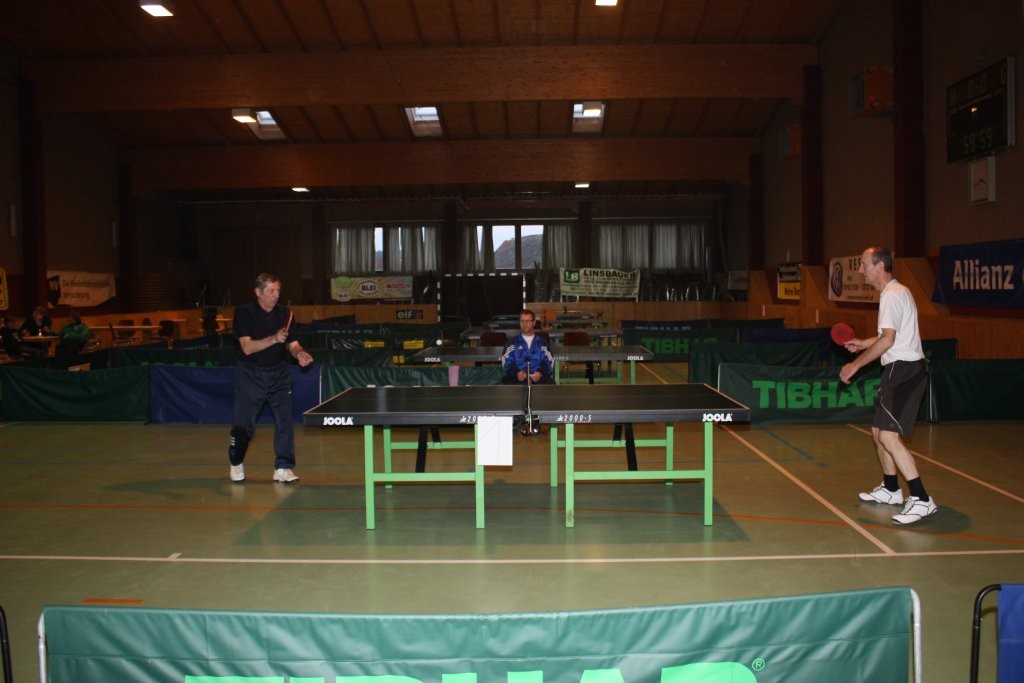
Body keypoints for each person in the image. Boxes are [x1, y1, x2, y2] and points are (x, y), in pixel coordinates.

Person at [839, 246, 936, 525]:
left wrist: (855, 365)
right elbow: (887, 335)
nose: (861, 270)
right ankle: (892, 489)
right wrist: (863, 343)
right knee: (877, 431)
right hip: (898, 369)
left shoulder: (892, 295)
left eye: (864, 264)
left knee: (889, 437)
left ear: (880, 265)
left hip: (903, 371)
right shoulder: (897, 292)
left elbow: (888, 340)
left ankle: (921, 499)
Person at [227, 273, 313, 484]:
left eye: (278, 291)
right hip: (250, 375)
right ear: (258, 292)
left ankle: (283, 467)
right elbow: (247, 347)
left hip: (279, 375)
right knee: (243, 427)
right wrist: (274, 339)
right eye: (271, 291)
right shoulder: (244, 312)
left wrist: (300, 354)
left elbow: (293, 344)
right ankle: (236, 460)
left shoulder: (286, 313)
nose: (276, 295)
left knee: (284, 422)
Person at [500, 309, 555, 435]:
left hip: (537, 377)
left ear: (534, 323)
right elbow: (506, 361)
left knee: (550, 385)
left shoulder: (542, 343)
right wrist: (516, 373)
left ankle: (538, 418)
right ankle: (517, 417)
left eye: (528, 321)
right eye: (522, 321)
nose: (525, 324)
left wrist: (540, 373)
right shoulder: (512, 343)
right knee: (506, 384)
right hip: (518, 377)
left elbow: (549, 361)